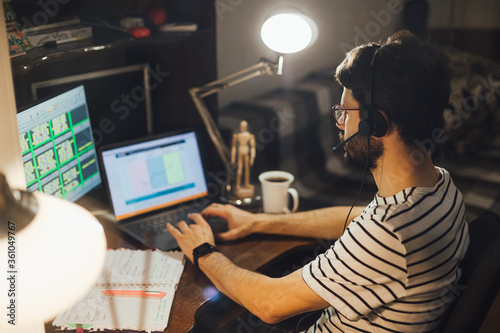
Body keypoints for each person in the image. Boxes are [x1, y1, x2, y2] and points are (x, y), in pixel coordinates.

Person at [166, 30, 469, 332]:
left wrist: (203, 251)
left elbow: (270, 304)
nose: (339, 122)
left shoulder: (391, 233)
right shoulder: (440, 188)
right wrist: (257, 223)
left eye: (344, 112)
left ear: (375, 123)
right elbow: (354, 219)